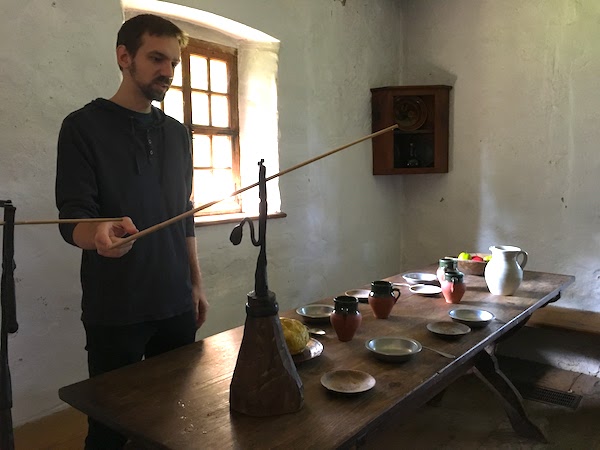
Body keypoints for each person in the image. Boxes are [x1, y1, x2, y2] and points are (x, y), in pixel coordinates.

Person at [55, 14, 209, 450]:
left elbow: (185, 215)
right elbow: (73, 219)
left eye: (174, 63)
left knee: (174, 418)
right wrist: (98, 234)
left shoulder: (179, 135)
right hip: (115, 306)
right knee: (109, 427)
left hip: (175, 301)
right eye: (156, 58)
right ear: (125, 57)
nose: (167, 71)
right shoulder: (82, 127)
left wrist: (195, 284)